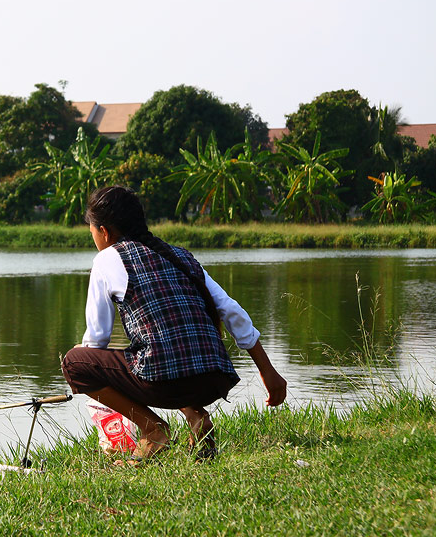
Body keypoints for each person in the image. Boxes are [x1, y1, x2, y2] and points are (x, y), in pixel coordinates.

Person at [61, 186, 287, 460]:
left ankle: (153, 429)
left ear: (104, 231)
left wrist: (83, 354)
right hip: (213, 379)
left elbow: (97, 341)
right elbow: (231, 309)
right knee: (165, 349)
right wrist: (269, 372)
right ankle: (196, 416)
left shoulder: (107, 259)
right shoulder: (180, 256)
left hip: (166, 384)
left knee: (75, 363)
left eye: (93, 233)